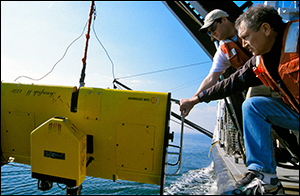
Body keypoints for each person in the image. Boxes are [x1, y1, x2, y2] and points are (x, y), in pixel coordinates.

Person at [180, 4, 299, 194]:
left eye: (246, 38)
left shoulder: (295, 37)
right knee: (252, 105)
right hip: (284, 99)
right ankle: (265, 177)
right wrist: (196, 99)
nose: (245, 44)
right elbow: (228, 82)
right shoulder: (256, 59)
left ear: (266, 29)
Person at [182, 9, 253, 117]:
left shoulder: (250, 25)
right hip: (258, 80)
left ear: (224, 20)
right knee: (250, 107)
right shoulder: (223, 51)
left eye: (213, 28)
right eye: (209, 32)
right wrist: (192, 100)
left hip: (274, 68)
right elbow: (211, 78)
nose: (212, 33)